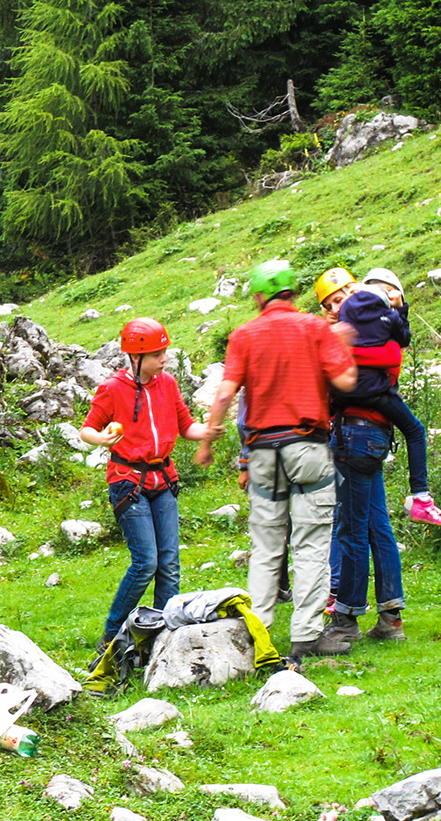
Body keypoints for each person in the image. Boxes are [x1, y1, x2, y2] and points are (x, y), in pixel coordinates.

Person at [196, 259, 357, 660]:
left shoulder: (244, 335)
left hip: (264, 453)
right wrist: (345, 347)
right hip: (308, 448)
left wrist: (209, 442)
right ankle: (306, 636)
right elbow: (346, 382)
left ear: (260, 295)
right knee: (312, 542)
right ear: (292, 292)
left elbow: (224, 394)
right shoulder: (316, 328)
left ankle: (259, 634)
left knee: (267, 546)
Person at [79, 318, 209, 650]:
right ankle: (112, 633)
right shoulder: (112, 388)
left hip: (163, 478)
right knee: (147, 561)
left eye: (164, 351)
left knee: (169, 562)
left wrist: (209, 432)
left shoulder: (167, 384)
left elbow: (186, 426)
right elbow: (87, 429)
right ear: (135, 357)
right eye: (156, 353)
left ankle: (163, 634)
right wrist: (103, 438)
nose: (164, 358)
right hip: (127, 481)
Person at [324, 285, 409, 644]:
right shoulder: (386, 343)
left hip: (353, 437)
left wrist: (333, 338)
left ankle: (346, 620)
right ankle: (391, 617)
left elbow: (335, 383)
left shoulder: (360, 347)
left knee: (352, 530)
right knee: (377, 526)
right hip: (374, 437)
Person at [361, 267, 441, 525]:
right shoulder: (381, 320)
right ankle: (421, 497)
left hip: (366, 393)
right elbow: (403, 337)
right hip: (376, 391)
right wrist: (398, 308)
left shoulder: (356, 316)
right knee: (414, 430)